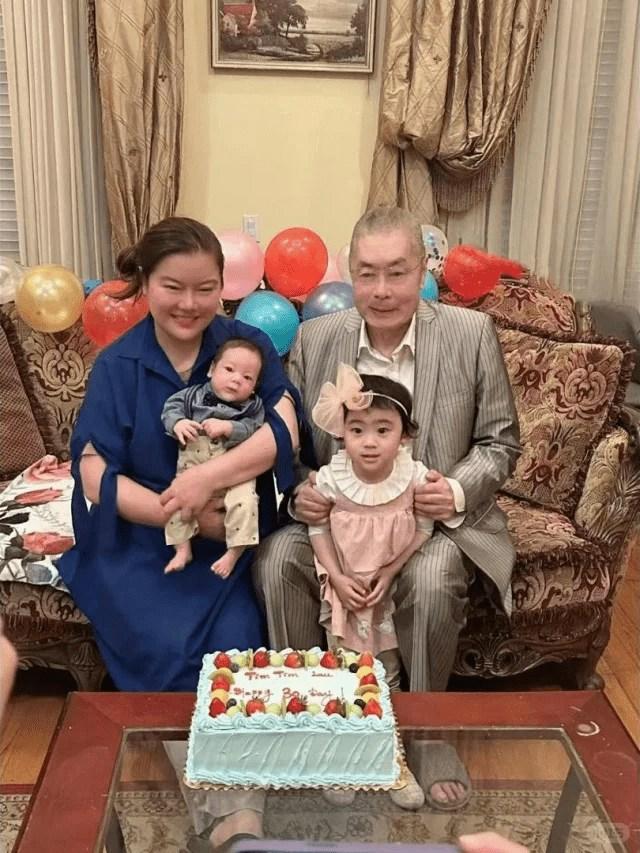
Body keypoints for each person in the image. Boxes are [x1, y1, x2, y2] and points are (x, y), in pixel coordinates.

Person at [253, 205, 520, 810]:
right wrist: (301, 488)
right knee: (275, 560)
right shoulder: (317, 337)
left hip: (429, 526)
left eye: (396, 273)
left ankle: (422, 734)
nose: (381, 290)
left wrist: (455, 490)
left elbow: (501, 441)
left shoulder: (470, 333)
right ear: (350, 273)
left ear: (422, 270)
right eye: (367, 273)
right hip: (340, 520)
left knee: (433, 575)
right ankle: (315, 726)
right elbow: (291, 447)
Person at [57, 216, 302, 851]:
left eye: (205, 288)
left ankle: (240, 815)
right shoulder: (119, 364)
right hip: (141, 544)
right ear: (144, 283)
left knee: (238, 651)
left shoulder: (246, 344)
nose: (190, 304)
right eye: (173, 287)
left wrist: (207, 481)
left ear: (225, 285)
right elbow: (94, 474)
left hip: (224, 544)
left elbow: (283, 430)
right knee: (167, 650)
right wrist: (178, 511)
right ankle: (229, 815)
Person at [308, 366, 433, 690]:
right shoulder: (334, 477)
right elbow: (317, 528)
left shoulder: (413, 476)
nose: (369, 442)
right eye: (357, 430)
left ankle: (390, 718)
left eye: (382, 430)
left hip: (387, 588)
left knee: (388, 672)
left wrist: (392, 570)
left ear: (404, 435)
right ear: (342, 432)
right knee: (344, 672)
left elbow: (424, 527)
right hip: (346, 588)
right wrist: (337, 577)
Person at [161, 337, 265, 578]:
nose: (236, 379)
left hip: (235, 474)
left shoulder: (252, 407)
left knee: (246, 503)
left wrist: (230, 428)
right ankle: (182, 549)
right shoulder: (191, 396)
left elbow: (254, 428)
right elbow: (170, 409)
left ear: (254, 387)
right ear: (211, 370)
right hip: (192, 468)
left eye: (247, 377)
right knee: (175, 502)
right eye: (229, 369)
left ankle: (234, 552)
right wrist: (178, 424)